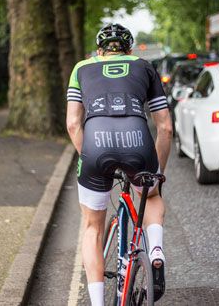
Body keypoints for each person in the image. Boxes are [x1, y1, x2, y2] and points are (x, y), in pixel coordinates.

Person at [66, 23, 173, 306]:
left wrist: (89, 156)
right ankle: (156, 251)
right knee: (150, 196)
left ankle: (98, 303)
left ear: (99, 50)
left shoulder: (81, 68)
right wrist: (156, 174)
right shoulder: (145, 67)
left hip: (95, 145)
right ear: (129, 49)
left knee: (92, 229)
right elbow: (165, 128)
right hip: (138, 142)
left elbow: (73, 123)